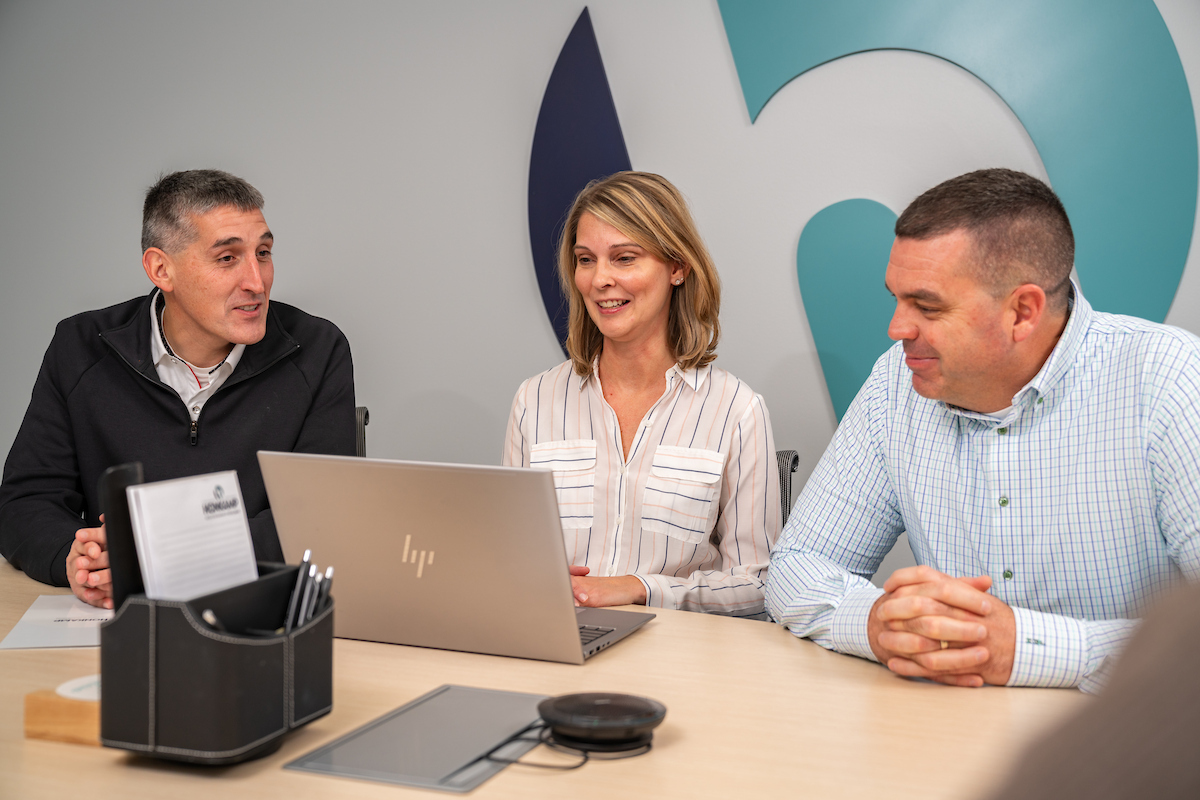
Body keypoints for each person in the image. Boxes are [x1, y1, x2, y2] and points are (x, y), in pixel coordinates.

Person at [765, 168, 1200, 691]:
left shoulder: (1169, 378)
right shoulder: (895, 382)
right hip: (948, 735)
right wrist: (876, 622)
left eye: (927, 306)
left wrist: (1028, 649)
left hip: (1126, 744)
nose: (897, 328)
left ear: (1022, 312)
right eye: (896, 299)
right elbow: (798, 564)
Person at [0, 169, 356, 609]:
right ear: (161, 268)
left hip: (256, 615)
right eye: (227, 258)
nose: (257, 281)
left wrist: (159, 561)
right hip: (114, 623)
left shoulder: (318, 350)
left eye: (263, 253)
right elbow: (26, 500)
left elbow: (321, 518)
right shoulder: (79, 347)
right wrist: (78, 559)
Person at [503, 171, 780, 617]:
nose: (600, 280)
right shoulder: (534, 400)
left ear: (677, 267)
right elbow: (508, 560)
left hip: (675, 656)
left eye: (624, 258)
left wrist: (640, 588)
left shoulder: (737, 410)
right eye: (586, 260)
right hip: (559, 643)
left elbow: (758, 585)